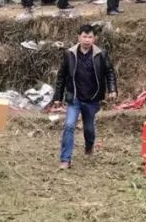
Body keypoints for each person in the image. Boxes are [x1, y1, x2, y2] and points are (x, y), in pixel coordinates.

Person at [50, 24, 117, 170]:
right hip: (74, 98)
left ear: (95, 38)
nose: (87, 40)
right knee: (69, 126)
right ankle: (65, 159)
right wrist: (58, 97)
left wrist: (112, 89)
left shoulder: (101, 54)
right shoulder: (69, 54)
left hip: (92, 98)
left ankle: (89, 146)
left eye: (90, 37)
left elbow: (109, 72)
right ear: (78, 37)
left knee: (88, 128)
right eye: (84, 36)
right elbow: (62, 76)